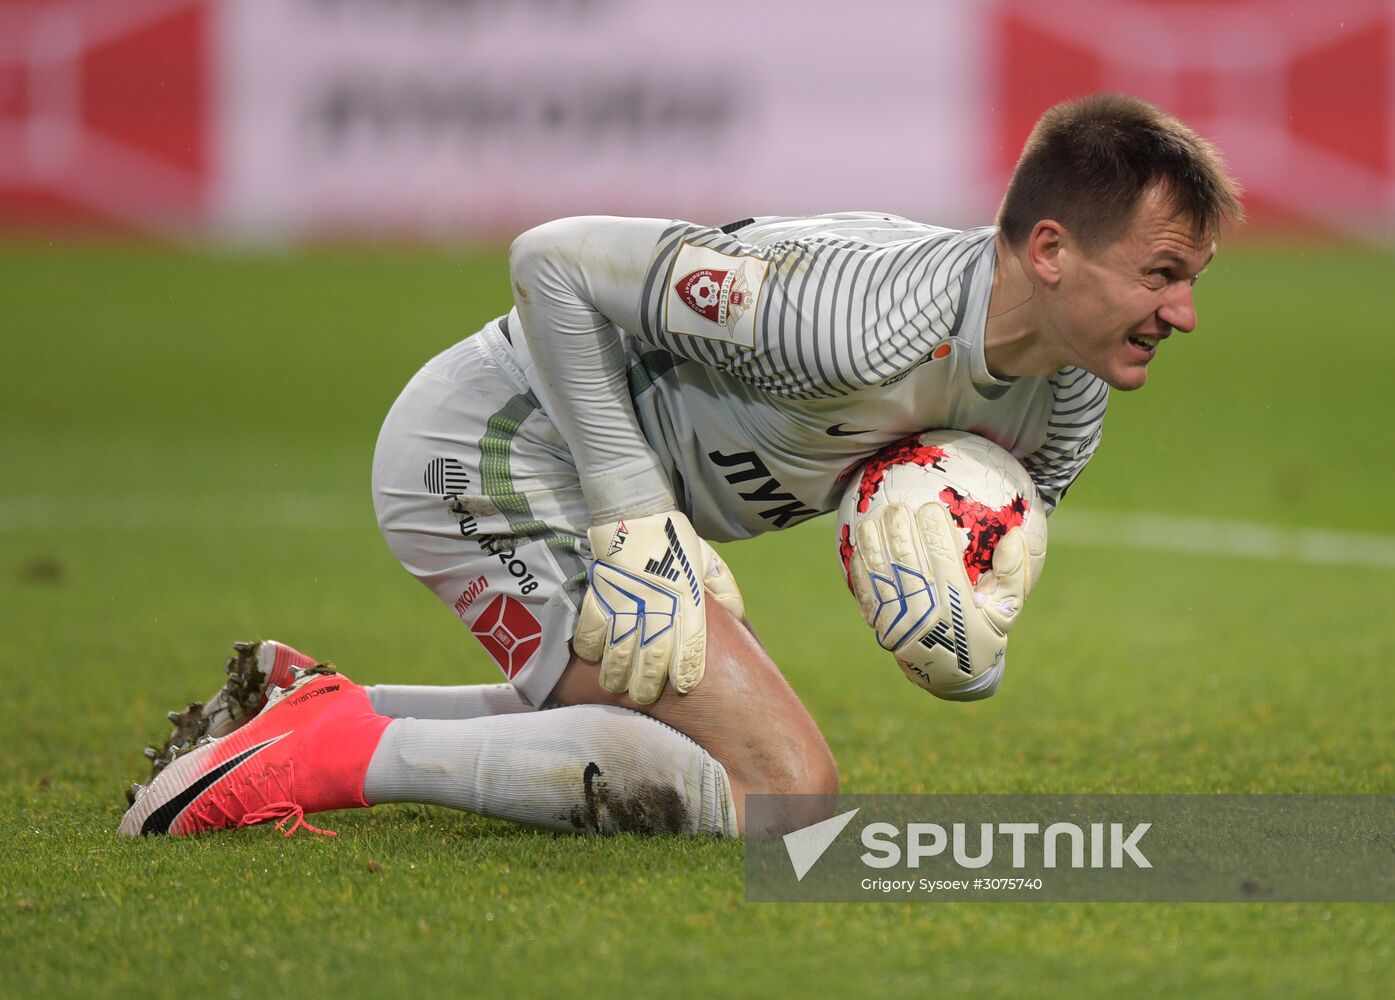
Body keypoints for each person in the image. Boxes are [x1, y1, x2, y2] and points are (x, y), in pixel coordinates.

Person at [119, 93, 1242, 840]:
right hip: (492, 449)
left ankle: (317, 706)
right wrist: (633, 514)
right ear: (1050, 251)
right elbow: (548, 262)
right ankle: (325, 751)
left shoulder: (1072, 399)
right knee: (785, 796)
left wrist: (963, 651)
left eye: (1191, 277)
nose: (1184, 312)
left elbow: (965, 588)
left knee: (692, 747)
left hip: (596, 493)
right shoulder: (850, 314)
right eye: (1160, 273)